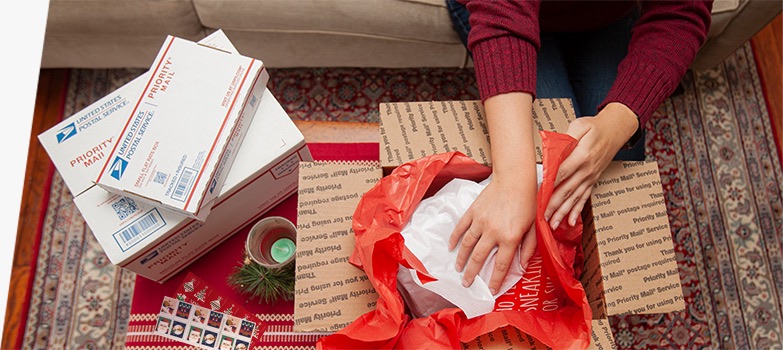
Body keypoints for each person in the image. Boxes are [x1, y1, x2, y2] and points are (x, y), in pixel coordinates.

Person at [445, 0, 713, 295]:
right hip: (500, 11)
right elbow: (502, 11)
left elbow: (680, 13)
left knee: (620, 163)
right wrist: (512, 183)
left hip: (605, 15)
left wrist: (615, 127)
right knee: (545, 169)